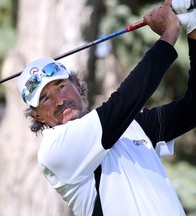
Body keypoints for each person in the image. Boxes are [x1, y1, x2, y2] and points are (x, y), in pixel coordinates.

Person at [17, 0, 196, 215]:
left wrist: (193, 31)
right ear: (38, 116)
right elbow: (122, 104)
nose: (59, 100)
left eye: (61, 86)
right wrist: (168, 35)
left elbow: (192, 109)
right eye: (45, 98)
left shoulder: (131, 125)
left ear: (76, 84)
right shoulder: (53, 150)